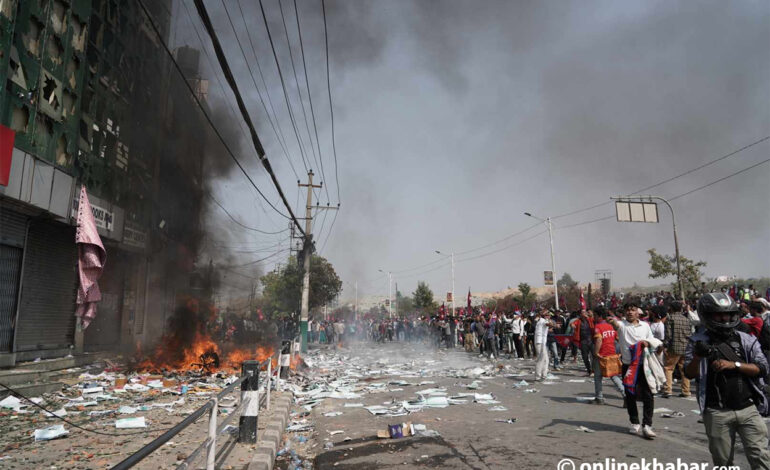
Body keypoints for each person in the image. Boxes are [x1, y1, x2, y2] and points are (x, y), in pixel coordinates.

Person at [684, 293, 770, 468]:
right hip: (717, 412)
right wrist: (697, 357)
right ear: (707, 315)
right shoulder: (696, 342)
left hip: (748, 409)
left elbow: (762, 368)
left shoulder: (746, 339)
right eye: (719, 314)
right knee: (723, 462)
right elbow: (689, 374)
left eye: (729, 314)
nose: (725, 318)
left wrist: (734, 365)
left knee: (761, 457)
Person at [609, 304, 663, 439]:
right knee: (630, 395)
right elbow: (616, 325)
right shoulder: (622, 325)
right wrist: (612, 321)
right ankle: (634, 422)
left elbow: (652, 339)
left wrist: (647, 343)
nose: (630, 312)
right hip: (628, 366)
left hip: (644, 365)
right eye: (628, 310)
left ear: (638, 313)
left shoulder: (645, 326)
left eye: (632, 310)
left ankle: (647, 425)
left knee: (648, 394)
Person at [593, 306, 624, 404]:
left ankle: (599, 398)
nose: (594, 317)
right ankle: (626, 395)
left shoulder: (598, 327)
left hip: (602, 355)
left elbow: (598, 340)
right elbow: (618, 338)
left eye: (595, 315)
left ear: (598, 316)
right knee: (614, 376)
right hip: (612, 354)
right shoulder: (611, 326)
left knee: (598, 377)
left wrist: (596, 353)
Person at [662, 301, 691, 398]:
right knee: (684, 370)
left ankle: (668, 390)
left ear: (672, 308)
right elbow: (689, 334)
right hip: (685, 347)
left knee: (668, 368)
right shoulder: (686, 319)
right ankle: (686, 391)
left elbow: (668, 335)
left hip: (673, 347)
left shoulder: (670, 319)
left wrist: (665, 346)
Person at [534, 310, 552, 380]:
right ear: (544, 316)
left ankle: (544, 374)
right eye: (547, 315)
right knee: (541, 359)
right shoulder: (543, 321)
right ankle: (538, 376)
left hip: (542, 342)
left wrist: (550, 329)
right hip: (539, 342)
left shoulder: (542, 321)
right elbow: (548, 324)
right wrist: (554, 325)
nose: (549, 316)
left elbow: (546, 328)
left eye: (549, 315)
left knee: (546, 359)